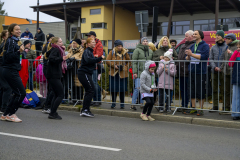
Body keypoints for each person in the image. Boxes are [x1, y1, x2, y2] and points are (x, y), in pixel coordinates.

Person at [0, 23, 26, 122]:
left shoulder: (15, 41)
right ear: (11, 31)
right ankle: (11, 114)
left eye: (19, 29)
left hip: (11, 70)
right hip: (10, 70)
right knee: (21, 93)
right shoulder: (11, 41)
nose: (19, 31)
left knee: (17, 93)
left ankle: (6, 114)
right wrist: (19, 51)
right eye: (16, 30)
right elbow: (7, 57)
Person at [78, 38, 105, 117]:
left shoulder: (90, 51)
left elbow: (90, 60)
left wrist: (96, 59)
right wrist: (99, 58)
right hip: (84, 73)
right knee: (90, 90)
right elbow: (88, 60)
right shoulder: (87, 51)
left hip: (87, 73)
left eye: (94, 42)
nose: (94, 43)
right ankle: (85, 110)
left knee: (89, 90)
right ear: (88, 44)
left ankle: (85, 109)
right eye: (93, 42)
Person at [185, 30, 210, 116]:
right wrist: (188, 55)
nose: (194, 35)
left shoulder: (205, 46)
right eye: (193, 34)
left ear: (201, 35)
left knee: (200, 90)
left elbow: (204, 57)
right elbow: (187, 59)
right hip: (192, 71)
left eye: (196, 34)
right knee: (191, 90)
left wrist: (191, 55)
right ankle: (193, 108)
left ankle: (201, 109)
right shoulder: (192, 46)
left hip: (200, 72)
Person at [45, 37, 67, 120]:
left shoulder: (56, 48)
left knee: (56, 94)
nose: (62, 43)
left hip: (53, 75)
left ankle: (52, 112)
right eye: (60, 42)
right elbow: (51, 58)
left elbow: (48, 55)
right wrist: (62, 58)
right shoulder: (56, 49)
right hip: (54, 75)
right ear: (56, 43)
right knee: (60, 94)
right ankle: (53, 112)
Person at [106, 40, 131, 109]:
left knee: (122, 89)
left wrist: (125, 68)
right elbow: (107, 61)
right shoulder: (112, 52)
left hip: (122, 74)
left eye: (121, 46)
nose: (120, 47)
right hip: (113, 74)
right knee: (113, 89)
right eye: (118, 46)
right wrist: (114, 65)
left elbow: (129, 62)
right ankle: (113, 103)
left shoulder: (125, 53)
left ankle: (122, 104)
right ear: (116, 46)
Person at [153, 36, 178, 105]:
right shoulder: (157, 51)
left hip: (169, 73)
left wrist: (172, 59)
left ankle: (168, 104)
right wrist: (159, 58)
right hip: (160, 73)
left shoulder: (172, 49)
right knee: (161, 91)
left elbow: (177, 58)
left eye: (166, 40)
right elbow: (153, 60)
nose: (165, 41)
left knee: (169, 91)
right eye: (164, 40)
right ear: (161, 42)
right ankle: (161, 105)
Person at [131, 37, 153, 110]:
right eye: (144, 41)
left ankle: (142, 103)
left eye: (147, 41)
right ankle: (133, 104)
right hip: (139, 72)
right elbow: (134, 61)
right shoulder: (137, 50)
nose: (145, 42)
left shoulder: (150, 51)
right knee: (137, 88)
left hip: (147, 74)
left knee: (144, 90)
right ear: (141, 42)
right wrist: (135, 72)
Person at [219, 33, 239, 111]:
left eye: (226, 39)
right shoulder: (227, 47)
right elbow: (224, 59)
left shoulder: (236, 47)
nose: (225, 40)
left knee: (234, 92)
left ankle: (234, 109)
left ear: (230, 39)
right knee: (226, 91)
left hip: (233, 72)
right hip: (226, 71)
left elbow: (236, 58)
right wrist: (222, 67)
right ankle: (226, 108)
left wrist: (230, 53)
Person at [209, 30, 227, 112]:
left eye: (218, 35)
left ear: (222, 37)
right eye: (216, 35)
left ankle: (225, 107)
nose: (216, 37)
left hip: (223, 71)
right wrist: (214, 67)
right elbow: (211, 58)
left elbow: (226, 59)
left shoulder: (226, 47)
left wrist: (221, 67)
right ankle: (215, 106)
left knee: (224, 89)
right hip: (214, 71)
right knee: (214, 89)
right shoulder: (213, 47)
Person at [176, 30, 195, 110]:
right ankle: (184, 105)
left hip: (188, 71)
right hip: (181, 72)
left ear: (191, 36)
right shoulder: (183, 46)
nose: (185, 37)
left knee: (188, 90)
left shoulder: (193, 45)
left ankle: (190, 106)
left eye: (186, 36)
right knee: (183, 90)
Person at [86, 31, 103, 106]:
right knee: (91, 84)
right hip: (90, 66)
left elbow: (98, 54)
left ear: (93, 36)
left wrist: (91, 57)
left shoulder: (98, 43)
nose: (88, 37)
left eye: (89, 36)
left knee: (94, 83)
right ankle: (94, 99)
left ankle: (98, 100)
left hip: (95, 66)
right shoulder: (88, 44)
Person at [66, 39, 84, 103]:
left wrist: (74, 58)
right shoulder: (71, 50)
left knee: (78, 84)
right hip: (71, 69)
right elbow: (67, 57)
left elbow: (82, 58)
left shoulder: (81, 50)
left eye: (75, 43)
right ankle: (73, 98)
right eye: (73, 43)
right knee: (72, 84)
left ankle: (79, 98)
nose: (74, 44)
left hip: (78, 69)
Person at [42, 33, 54, 114]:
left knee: (51, 88)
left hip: (48, 70)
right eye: (51, 38)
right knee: (51, 89)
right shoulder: (48, 47)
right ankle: (47, 106)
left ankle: (48, 105)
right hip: (49, 70)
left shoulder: (47, 47)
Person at [0, 30, 12, 114]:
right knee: (7, 88)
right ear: (4, 37)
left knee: (3, 88)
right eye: (8, 35)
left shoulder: (5, 44)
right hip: (3, 68)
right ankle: (4, 108)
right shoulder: (3, 45)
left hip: (4, 68)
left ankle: (2, 106)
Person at [228, 41, 240, 120]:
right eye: (238, 47)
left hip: (237, 77)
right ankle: (235, 114)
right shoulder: (236, 53)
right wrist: (235, 53)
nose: (238, 48)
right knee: (236, 97)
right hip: (237, 78)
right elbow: (230, 64)